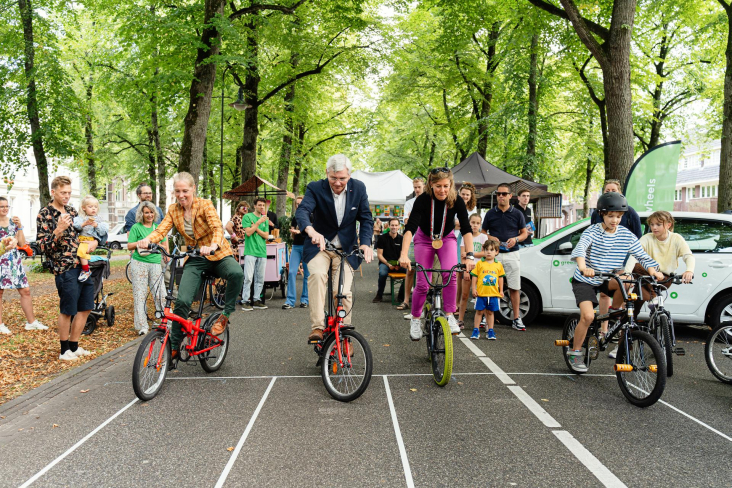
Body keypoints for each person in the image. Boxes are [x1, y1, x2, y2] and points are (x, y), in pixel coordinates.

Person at [136, 172, 244, 356]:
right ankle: (175, 348)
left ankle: (225, 315)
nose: (181, 195)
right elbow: (161, 230)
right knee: (183, 301)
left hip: (218, 254)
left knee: (236, 274)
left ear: (193, 189)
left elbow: (217, 227)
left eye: (185, 190)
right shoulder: (173, 209)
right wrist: (147, 240)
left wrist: (213, 245)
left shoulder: (205, 205)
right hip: (196, 258)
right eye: (177, 191)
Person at [567, 192, 661, 372]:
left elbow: (642, 255)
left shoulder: (626, 234)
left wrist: (652, 270)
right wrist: (583, 267)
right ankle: (575, 351)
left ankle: (616, 312)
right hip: (586, 279)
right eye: (611, 216)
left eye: (619, 217)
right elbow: (580, 251)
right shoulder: (592, 231)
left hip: (608, 278)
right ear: (602, 214)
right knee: (588, 317)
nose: (615, 220)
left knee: (627, 278)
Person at [295, 154, 373, 343]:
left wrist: (365, 243)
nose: (338, 183)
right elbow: (303, 210)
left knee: (344, 293)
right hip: (319, 247)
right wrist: (311, 230)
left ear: (349, 175)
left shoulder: (359, 188)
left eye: (342, 178)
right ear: (326, 173)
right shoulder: (315, 188)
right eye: (333, 178)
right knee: (317, 276)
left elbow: (366, 218)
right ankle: (318, 327)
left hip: (346, 249)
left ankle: (345, 336)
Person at [398, 167, 475, 341]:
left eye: (446, 186)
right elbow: (410, 228)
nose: (442, 190)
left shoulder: (457, 200)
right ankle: (416, 318)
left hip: (446, 239)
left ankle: (449, 314)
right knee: (424, 283)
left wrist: (470, 255)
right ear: (430, 184)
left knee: (450, 273)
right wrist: (403, 254)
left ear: (451, 185)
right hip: (424, 239)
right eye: (438, 186)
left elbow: (466, 228)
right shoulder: (423, 200)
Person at [618, 210, 695, 357]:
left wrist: (689, 271)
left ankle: (660, 341)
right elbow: (634, 256)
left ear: (668, 225)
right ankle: (623, 346)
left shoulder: (676, 239)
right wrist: (626, 274)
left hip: (663, 279)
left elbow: (688, 256)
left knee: (638, 302)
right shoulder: (647, 238)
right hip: (645, 278)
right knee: (631, 310)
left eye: (658, 224)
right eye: (652, 224)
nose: (654, 227)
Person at [37, 176, 96, 360]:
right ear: (53, 192)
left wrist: (92, 241)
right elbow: (42, 247)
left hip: (82, 264)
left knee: (85, 307)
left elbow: (78, 235)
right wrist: (58, 229)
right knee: (68, 310)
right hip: (64, 268)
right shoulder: (45, 214)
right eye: (63, 193)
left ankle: (74, 345)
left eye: (69, 193)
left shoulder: (71, 210)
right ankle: (64, 351)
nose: (67, 196)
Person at [590, 179, 642, 331]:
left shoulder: (630, 212)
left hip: (623, 259)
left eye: (614, 190)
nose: (610, 193)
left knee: (625, 291)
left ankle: (621, 332)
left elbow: (638, 237)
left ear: (620, 193)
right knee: (604, 295)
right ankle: (604, 330)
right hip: (603, 258)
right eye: (607, 191)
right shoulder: (597, 213)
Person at [481, 183, 528, 331]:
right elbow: (482, 232)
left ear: (510, 196)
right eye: (498, 194)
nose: (500, 196)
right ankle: (484, 317)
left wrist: (516, 239)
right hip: (493, 256)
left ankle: (516, 318)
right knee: (489, 286)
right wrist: (489, 236)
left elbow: (524, 233)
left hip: (512, 253)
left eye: (503, 194)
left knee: (514, 287)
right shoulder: (490, 213)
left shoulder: (517, 213)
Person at [0, 197, 48, 335]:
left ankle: (31, 322)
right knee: (0, 292)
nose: (4, 209)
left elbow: (21, 244)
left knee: (25, 290)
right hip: (0, 259)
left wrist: (20, 226)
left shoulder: (12, 222)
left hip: (14, 261)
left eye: (6, 206)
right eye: (1, 206)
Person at [127, 201, 169, 335]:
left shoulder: (158, 228)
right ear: (142, 214)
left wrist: (155, 245)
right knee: (140, 294)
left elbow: (165, 246)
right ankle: (142, 326)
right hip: (139, 263)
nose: (149, 215)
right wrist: (141, 243)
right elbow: (129, 246)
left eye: (151, 212)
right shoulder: (136, 227)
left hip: (155, 263)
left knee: (161, 293)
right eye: (146, 212)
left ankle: (167, 321)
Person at [399, 177, 425, 315]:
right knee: (410, 271)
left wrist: (416, 219)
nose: (416, 190)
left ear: (424, 186)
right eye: (415, 187)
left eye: (419, 187)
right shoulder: (409, 203)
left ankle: (422, 302)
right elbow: (407, 221)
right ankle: (406, 300)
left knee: (424, 272)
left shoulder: (428, 201)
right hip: (412, 240)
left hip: (426, 241)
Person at [457, 213, 488, 327]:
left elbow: (484, 253)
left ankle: (483, 320)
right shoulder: (465, 236)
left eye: (477, 223)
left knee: (481, 295)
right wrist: (466, 271)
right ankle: (460, 320)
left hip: (480, 270)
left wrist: (471, 253)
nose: (475, 225)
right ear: (469, 223)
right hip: (468, 269)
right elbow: (462, 256)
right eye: (473, 222)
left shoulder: (483, 237)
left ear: (480, 224)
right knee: (464, 295)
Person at [240, 198, 270, 311]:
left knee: (260, 278)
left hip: (262, 251)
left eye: (263, 205)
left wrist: (255, 228)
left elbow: (266, 236)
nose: (262, 207)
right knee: (248, 277)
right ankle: (245, 301)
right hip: (250, 251)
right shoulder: (247, 217)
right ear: (255, 206)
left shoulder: (265, 219)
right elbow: (248, 233)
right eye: (260, 205)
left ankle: (257, 300)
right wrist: (258, 223)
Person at [470, 240, 504, 340]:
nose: (489, 252)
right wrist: (474, 289)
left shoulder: (498, 265)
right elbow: (475, 276)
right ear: (483, 251)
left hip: (493, 294)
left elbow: (501, 278)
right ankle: (476, 330)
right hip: (481, 293)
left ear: (496, 252)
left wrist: (501, 290)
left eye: (491, 250)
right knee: (479, 312)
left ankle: (490, 331)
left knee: (490, 312)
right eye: (486, 249)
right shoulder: (480, 263)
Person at [455, 182, 478, 325]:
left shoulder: (472, 209)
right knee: (457, 272)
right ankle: (456, 303)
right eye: (463, 194)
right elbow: (456, 224)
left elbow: (468, 225)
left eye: (467, 195)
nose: (465, 196)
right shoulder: (454, 204)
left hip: (466, 238)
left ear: (471, 197)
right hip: (456, 238)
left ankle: (461, 302)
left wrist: (462, 224)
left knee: (465, 271)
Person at [73, 195, 109, 282]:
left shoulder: (99, 219)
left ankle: (86, 270)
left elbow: (104, 230)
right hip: (81, 239)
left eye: (95, 207)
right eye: (90, 207)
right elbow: (75, 226)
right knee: (81, 252)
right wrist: (84, 224)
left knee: (81, 251)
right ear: (84, 208)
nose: (93, 209)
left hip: (90, 240)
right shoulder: (80, 218)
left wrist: (96, 225)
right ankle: (86, 267)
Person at [283, 195, 309, 309]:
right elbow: (293, 234)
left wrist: (299, 231)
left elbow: (312, 231)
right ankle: (290, 301)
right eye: (297, 204)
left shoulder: (311, 216)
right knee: (292, 272)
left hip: (307, 247)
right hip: (296, 247)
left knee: (307, 275)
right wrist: (292, 232)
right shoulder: (295, 217)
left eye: (300, 203)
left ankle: (305, 300)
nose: (299, 205)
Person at [373, 217, 406, 302]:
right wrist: (389, 264)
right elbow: (379, 255)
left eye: (396, 225)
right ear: (389, 226)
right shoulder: (382, 238)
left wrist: (398, 264)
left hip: (399, 262)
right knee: (382, 273)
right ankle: (379, 295)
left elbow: (403, 254)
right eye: (392, 225)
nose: (394, 227)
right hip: (385, 263)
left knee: (410, 272)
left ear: (399, 226)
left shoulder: (402, 239)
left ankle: (401, 296)